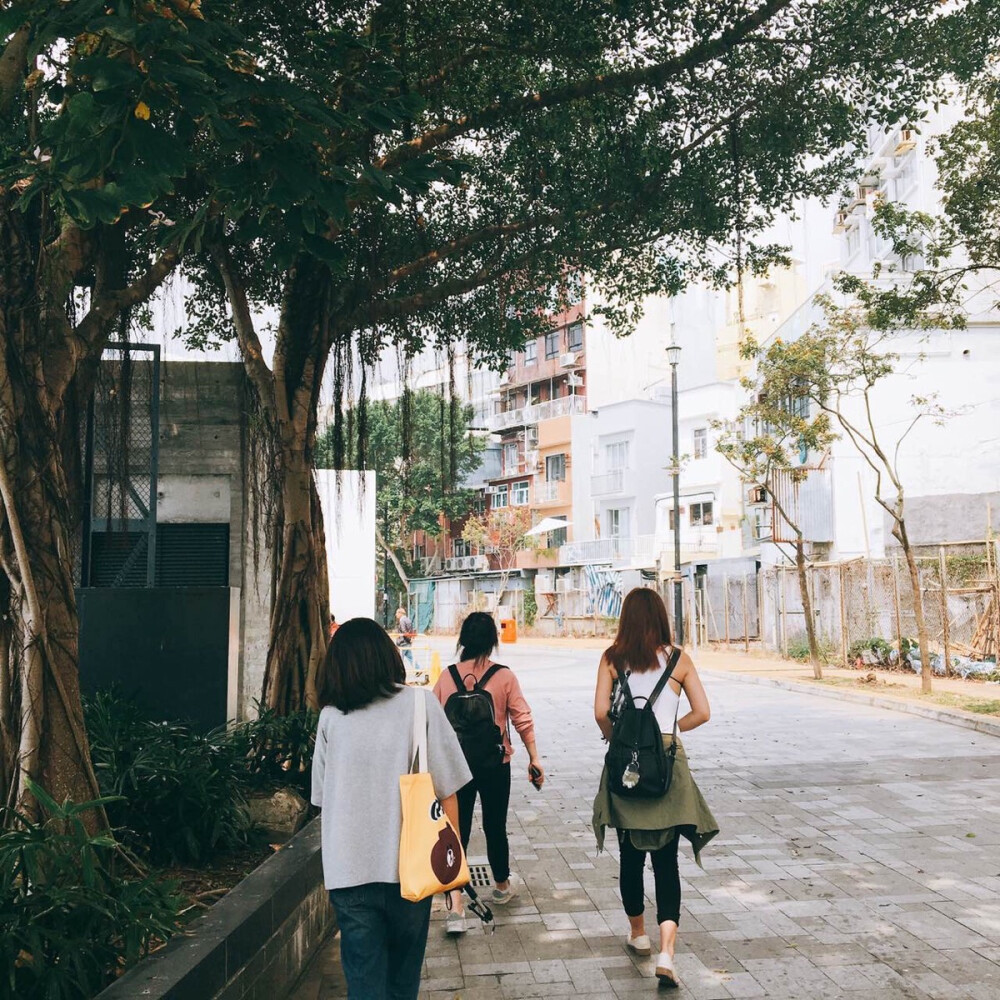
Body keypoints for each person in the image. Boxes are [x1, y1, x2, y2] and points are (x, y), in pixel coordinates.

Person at [311, 618, 471, 1000]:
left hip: (349, 875)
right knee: (402, 983)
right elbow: (449, 790)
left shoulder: (331, 718)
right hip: (410, 874)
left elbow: (321, 798)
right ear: (387, 656)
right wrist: (451, 869)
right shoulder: (421, 704)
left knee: (365, 986)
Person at [592, 588, 719, 989]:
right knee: (666, 861)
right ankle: (667, 952)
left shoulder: (612, 658)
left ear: (626, 618)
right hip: (666, 766)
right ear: (662, 617)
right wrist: (669, 733)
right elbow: (703, 712)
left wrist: (621, 739)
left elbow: (599, 712)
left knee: (629, 855)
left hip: (626, 765)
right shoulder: (679, 659)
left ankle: (638, 935)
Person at [432, 611, 544, 936]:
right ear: (493, 641)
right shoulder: (504, 676)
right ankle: (501, 886)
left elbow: (435, 727)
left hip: (457, 767)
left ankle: (455, 906)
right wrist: (534, 758)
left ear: (463, 640)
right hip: (496, 765)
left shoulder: (446, 677)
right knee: (496, 826)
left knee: (456, 830)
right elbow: (522, 718)